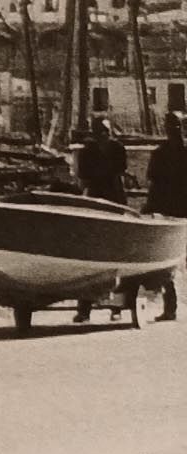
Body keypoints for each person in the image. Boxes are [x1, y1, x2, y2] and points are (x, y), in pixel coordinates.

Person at [73, 115, 131, 322]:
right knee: (90, 256)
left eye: (106, 131)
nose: (103, 136)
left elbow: (120, 169)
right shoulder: (87, 152)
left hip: (115, 202)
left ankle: (116, 307)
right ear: (94, 134)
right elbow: (83, 175)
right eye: (99, 132)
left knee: (116, 255)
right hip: (95, 204)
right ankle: (84, 309)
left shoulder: (117, 148)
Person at [140, 110, 186, 321]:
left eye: (176, 126)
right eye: (171, 127)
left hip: (177, 213)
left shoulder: (165, 153)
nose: (174, 130)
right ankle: (171, 307)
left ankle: (171, 307)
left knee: (171, 264)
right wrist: (150, 207)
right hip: (169, 214)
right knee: (169, 264)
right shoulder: (159, 154)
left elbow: (154, 184)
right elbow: (155, 184)